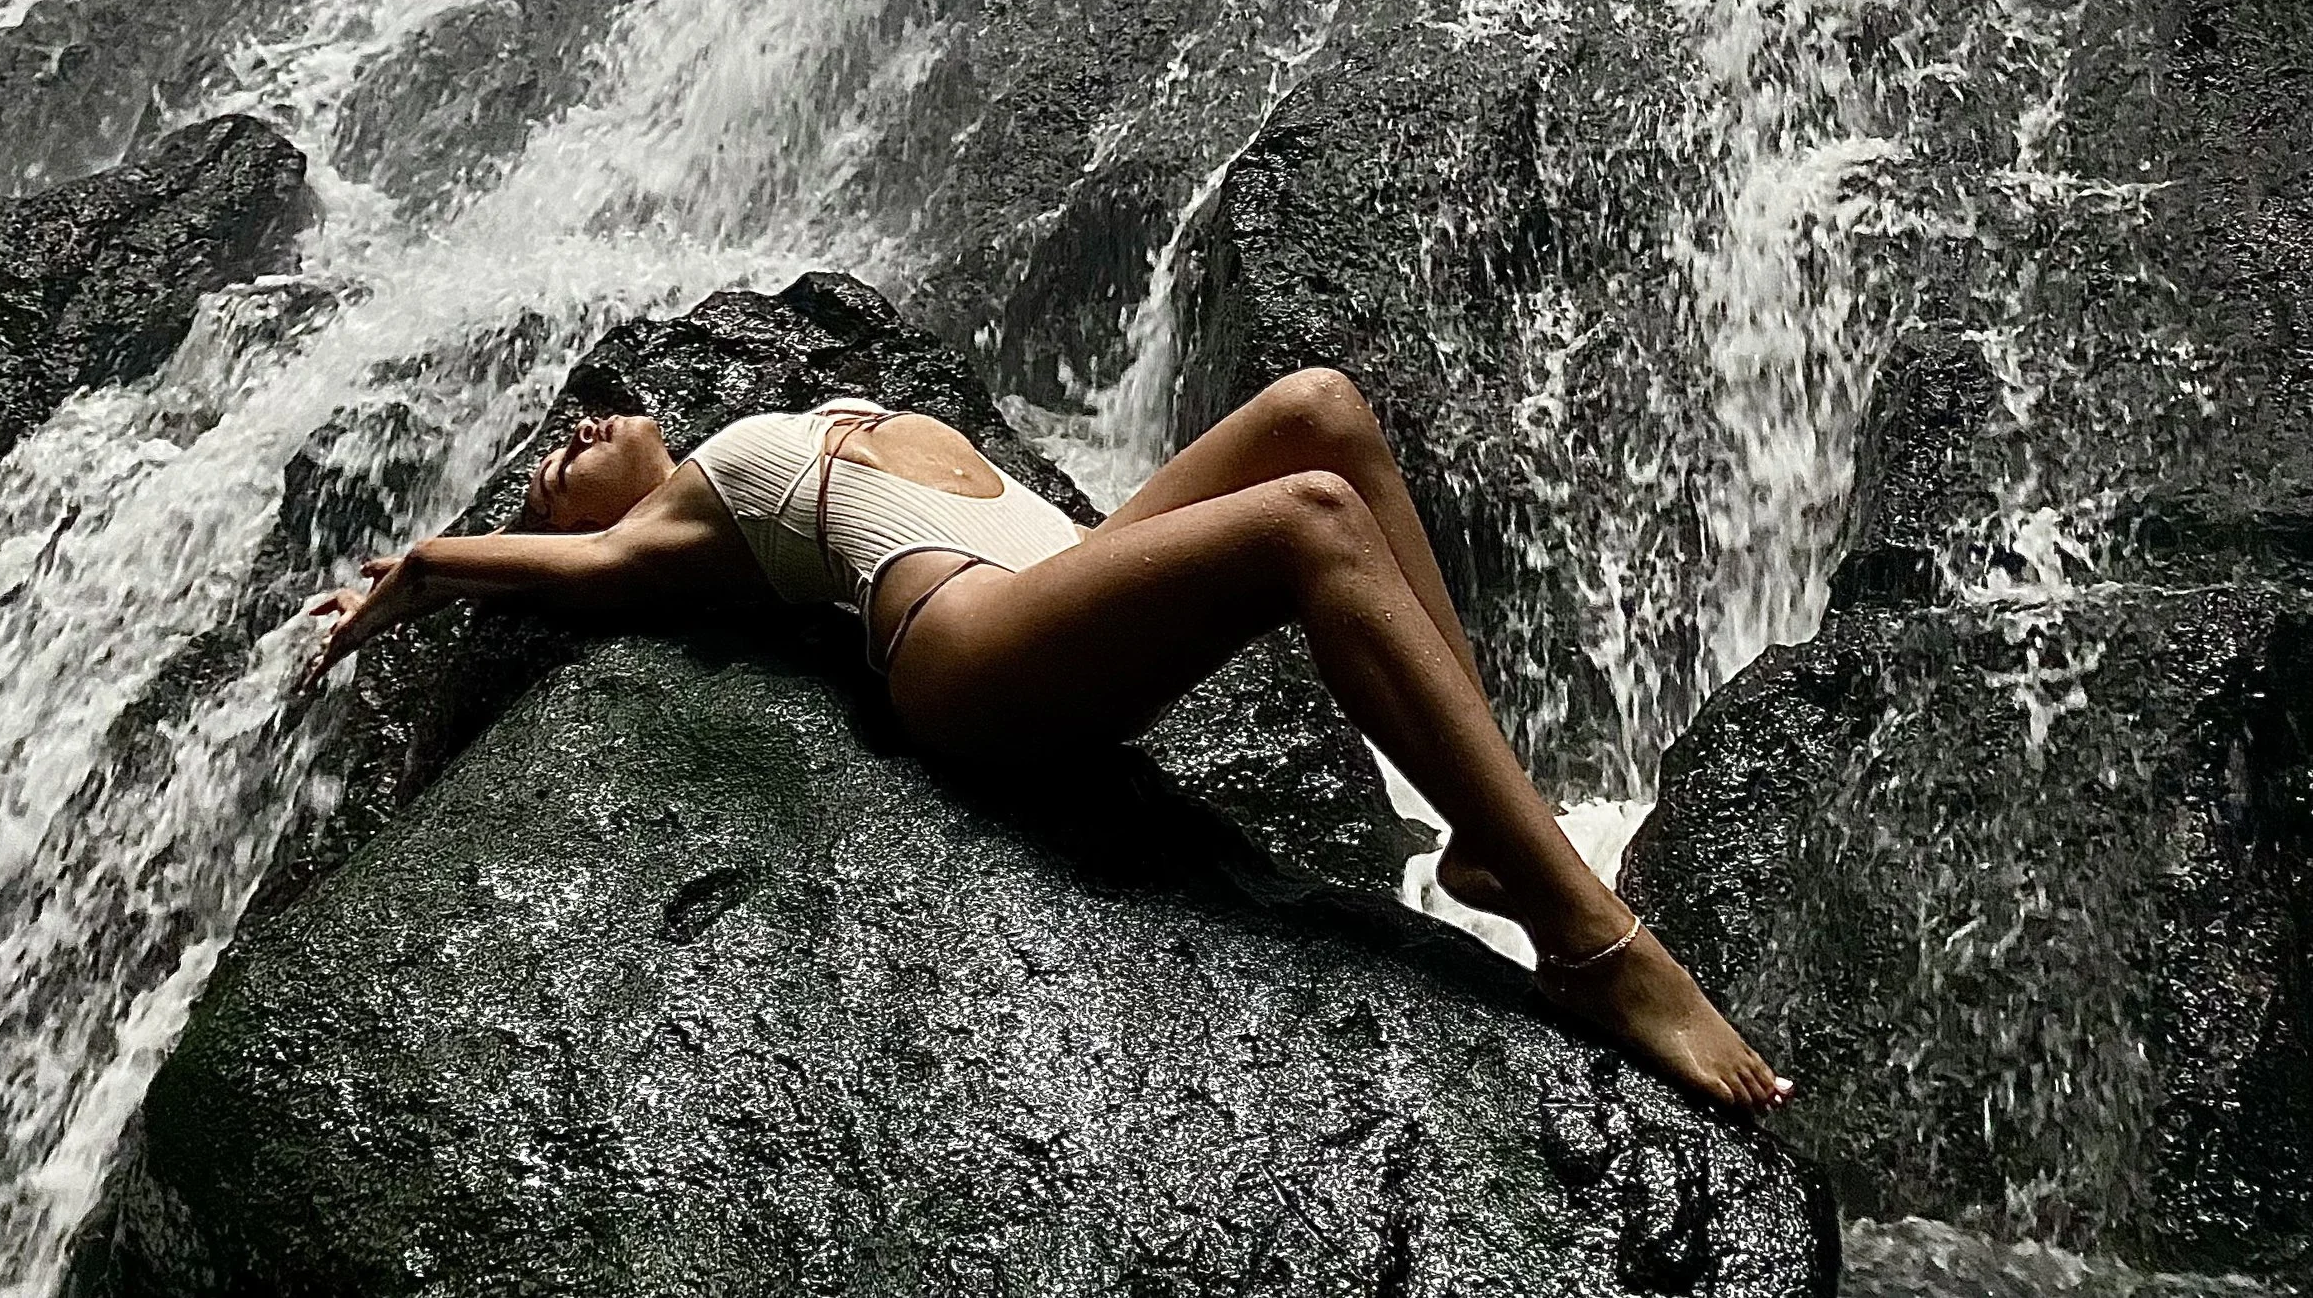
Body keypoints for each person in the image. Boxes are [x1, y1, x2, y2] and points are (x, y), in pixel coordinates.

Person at [306, 366, 1790, 1112]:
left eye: (579, 426)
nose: (578, 438)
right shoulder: (667, 525)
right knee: (1309, 526)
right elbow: (515, 566)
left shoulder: (739, 426)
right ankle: (1601, 949)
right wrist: (429, 566)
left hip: (1061, 569)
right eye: (552, 468)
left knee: (1323, 414)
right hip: (966, 653)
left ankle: (1492, 834)